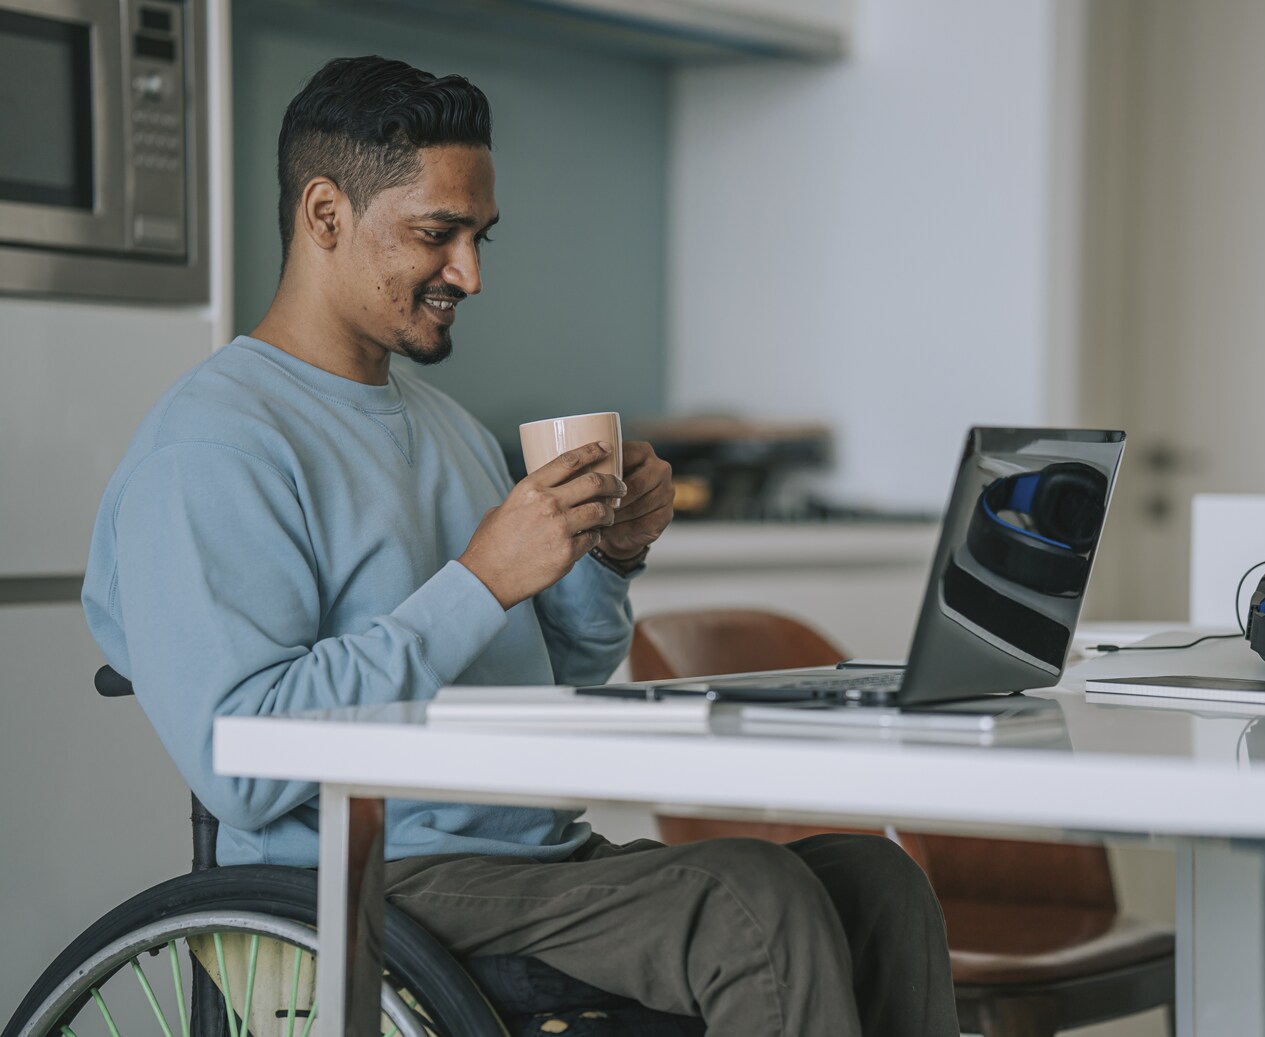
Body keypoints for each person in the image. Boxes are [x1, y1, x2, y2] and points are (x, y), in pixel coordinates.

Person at [81, 55, 960, 1036]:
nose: (471, 273)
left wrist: (603, 558)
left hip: (529, 860)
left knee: (874, 881)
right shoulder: (212, 447)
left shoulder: (449, 427)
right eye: (438, 234)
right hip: (359, 881)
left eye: (479, 237)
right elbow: (237, 761)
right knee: (751, 903)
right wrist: (481, 578)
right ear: (325, 214)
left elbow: (553, 676)